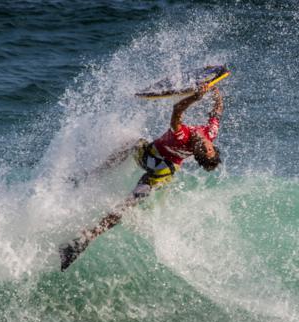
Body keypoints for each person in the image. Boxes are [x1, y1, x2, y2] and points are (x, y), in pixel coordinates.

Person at [60, 84, 224, 271]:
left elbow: (177, 109)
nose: (206, 145)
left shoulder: (181, 137)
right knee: (132, 143)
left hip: (161, 168)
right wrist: (215, 91)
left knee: (129, 202)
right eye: (209, 147)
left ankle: (82, 241)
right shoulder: (210, 134)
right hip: (153, 156)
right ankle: (93, 175)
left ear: (196, 151)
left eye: (204, 149)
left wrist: (195, 97)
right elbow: (217, 111)